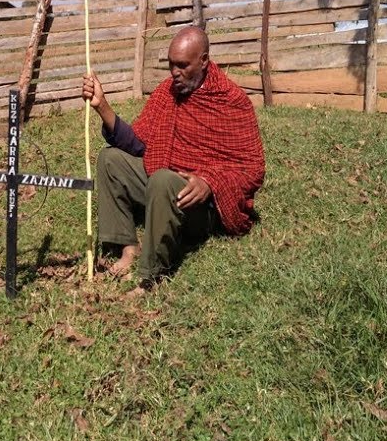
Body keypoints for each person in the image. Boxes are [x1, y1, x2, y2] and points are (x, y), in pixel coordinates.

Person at [80, 25, 266, 289]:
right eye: (170, 65)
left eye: (182, 65)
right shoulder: (167, 92)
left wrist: (210, 182)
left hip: (203, 206)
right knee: (111, 160)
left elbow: (252, 169)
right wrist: (102, 106)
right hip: (163, 182)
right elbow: (138, 144)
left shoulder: (233, 101)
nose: (174, 73)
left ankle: (150, 275)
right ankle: (127, 246)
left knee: (163, 180)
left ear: (203, 61)